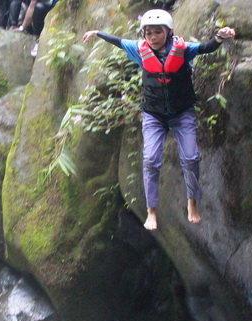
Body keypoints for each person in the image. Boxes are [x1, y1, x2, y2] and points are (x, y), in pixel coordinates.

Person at [83, 10, 235, 229]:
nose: (153, 37)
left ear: (169, 32)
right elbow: (117, 41)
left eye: (158, 32)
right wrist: (97, 33)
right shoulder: (139, 49)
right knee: (150, 160)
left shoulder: (183, 50)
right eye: (149, 33)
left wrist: (220, 37)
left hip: (182, 112)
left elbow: (205, 48)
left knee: (191, 158)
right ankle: (151, 211)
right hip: (154, 114)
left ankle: (192, 202)